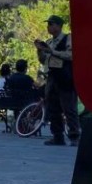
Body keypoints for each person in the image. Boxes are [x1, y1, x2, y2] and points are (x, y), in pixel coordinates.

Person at [35, 15, 80, 146]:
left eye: (51, 24)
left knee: (69, 108)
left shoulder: (68, 38)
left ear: (59, 26)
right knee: (53, 108)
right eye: (48, 24)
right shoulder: (49, 42)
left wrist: (52, 51)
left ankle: (74, 136)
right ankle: (57, 136)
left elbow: (71, 55)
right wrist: (40, 51)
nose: (48, 26)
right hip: (51, 77)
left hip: (65, 77)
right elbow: (44, 60)